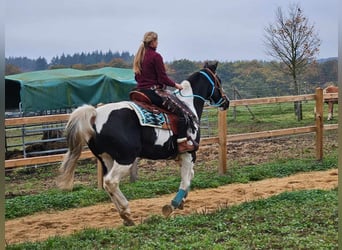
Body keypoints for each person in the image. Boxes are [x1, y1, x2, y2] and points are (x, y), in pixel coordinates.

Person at [133, 31, 196, 153]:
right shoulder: (156, 57)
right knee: (182, 112)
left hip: (140, 91)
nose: (158, 43)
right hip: (154, 92)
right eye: (156, 41)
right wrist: (176, 85)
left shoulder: (139, 56)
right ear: (152, 42)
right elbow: (163, 78)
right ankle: (182, 143)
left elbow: (136, 77)